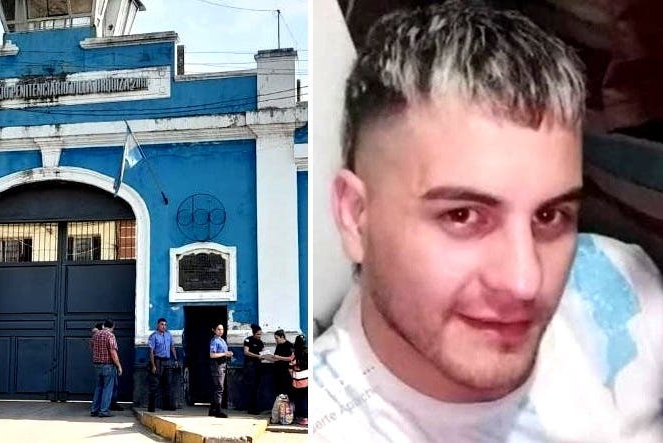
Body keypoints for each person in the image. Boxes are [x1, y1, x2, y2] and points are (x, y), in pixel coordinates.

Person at [313, 2, 663, 442]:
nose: (524, 282)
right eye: (462, 216)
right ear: (355, 216)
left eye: (549, 215)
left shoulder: (616, 283)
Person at [90, 319, 122, 418]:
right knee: (107, 388)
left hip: (97, 365)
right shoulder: (110, 336)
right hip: (108, 365)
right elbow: (113, 352)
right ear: (113, 327)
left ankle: (94, 410)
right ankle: (104, 411)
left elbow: (92, 347)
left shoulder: (95, 335)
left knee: (98, 387)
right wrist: (119, 366)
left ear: (104, 325)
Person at [147, 317, 177, 412]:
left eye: (165, 325)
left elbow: (172, 347)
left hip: (167, 361)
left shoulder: (168, 335)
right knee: (155, 384)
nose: (164, 326)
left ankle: (167, 405)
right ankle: (151, 407)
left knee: (168, 383)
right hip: (157, 361)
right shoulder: (153, 336)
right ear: (158, 325)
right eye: (162, 324)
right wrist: (153, 365)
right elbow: (151, 351)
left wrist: (175, 359)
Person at [208, 323, 232, 418]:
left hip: (222, 365)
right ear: (214, 330)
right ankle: (218, 411)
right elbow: (212, 355)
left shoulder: (222, 340)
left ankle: (212, 410)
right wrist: (224, 354)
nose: (221, 331)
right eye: (218, 329)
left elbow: (223, 353)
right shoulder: (214, 341)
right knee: (219, 388)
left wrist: (228, 354)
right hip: (217, 366)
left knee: (218, 388)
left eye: (222, 329)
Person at [241, 324, 264, 415]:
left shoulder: (260, 342)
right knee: (251, 386)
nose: (259, 336)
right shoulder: (248, 340)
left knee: (257, 387)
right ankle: (251, 408)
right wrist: (257, 356)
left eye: (260, 334)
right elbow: (246, 352)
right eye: (258, 334)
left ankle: (256, 406)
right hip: (250, 366)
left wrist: (265, 356)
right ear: (254, 333)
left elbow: (263, 352)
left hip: (258, 366)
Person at [264, 329, 293, 398]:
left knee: (286, 391)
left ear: (282, 337)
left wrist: (279, 357)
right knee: (278, 392)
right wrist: (266, 357)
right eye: (275, 338)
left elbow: (291, 358)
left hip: (285, 371)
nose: (276, 340)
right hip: (277, 371)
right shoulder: (278, 345)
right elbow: (275, 358)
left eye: (277, 338)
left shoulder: (289, 345)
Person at [290, 334, 308, 425]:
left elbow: (290, 367)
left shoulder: (294, 354)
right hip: (307, 380)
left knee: (299, 399)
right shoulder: (308, 352)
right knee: (305, 399)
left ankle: (300, 417)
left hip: (297, 381)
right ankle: (306, 417)